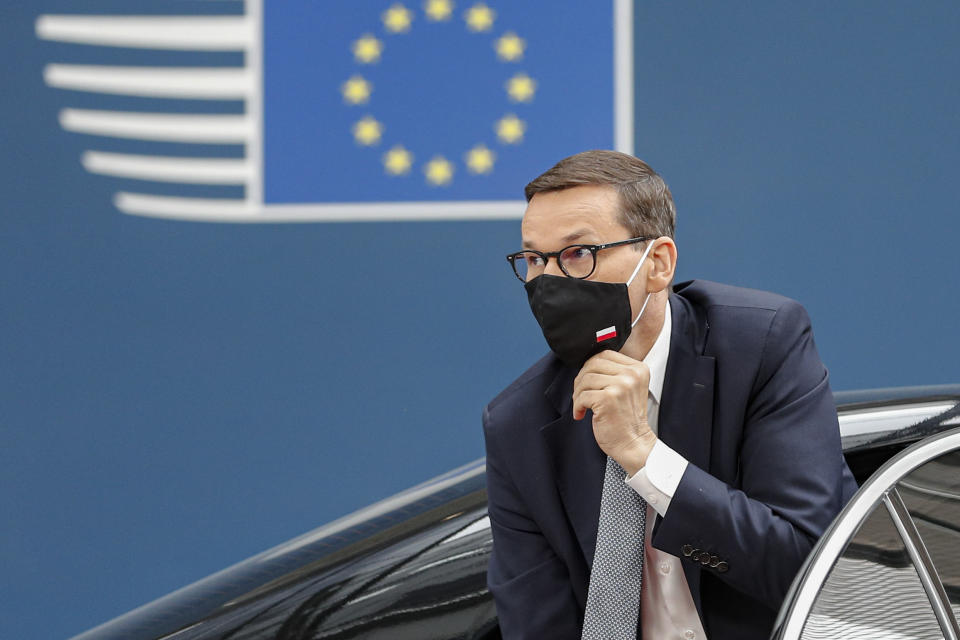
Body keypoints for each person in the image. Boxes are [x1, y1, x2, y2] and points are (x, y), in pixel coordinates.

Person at [483, 150, 857, 640]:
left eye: (579, 253)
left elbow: (809, 570)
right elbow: (535, 624)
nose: (549, 281)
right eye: (534, 259)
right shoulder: (519, 424)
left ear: (657, 263)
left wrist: (643, 454)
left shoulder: (760, 346)